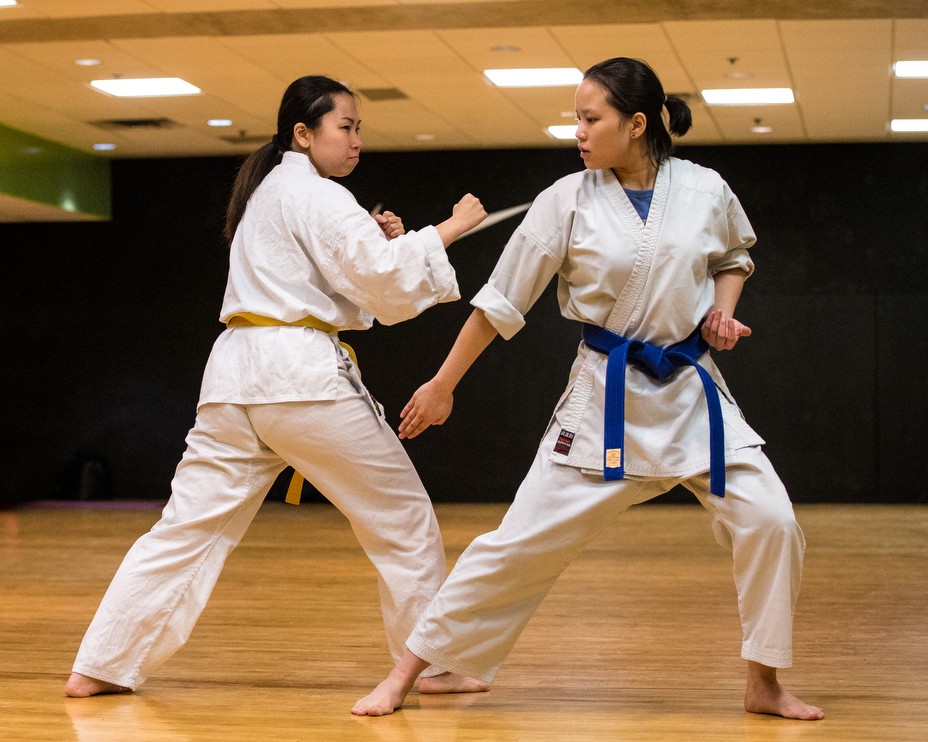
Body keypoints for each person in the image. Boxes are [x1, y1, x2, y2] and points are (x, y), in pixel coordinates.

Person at [353, 57, 824, 720]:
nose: (576, 130)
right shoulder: (565, 200)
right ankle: (408, 671)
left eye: (589, 117)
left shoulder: (704, 189)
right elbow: (499, 303)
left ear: (635, 124)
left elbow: (732, 257)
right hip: (605, 403)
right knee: (518, 544)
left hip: (692, 397)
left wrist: (720, 309)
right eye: (576, 116)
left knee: (772, 521)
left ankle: (764, 681)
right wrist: (441, 383)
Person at [65, 75, 489, 698]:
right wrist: (450, 227)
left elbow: (344, 277)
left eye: (359, 129)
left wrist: (383, 240)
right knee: (402, 518)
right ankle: (438, 666)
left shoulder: (268, 194)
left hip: (235, 382)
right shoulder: (314, 193)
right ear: (302, 133)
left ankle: (98, 665)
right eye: (345, 127)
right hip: (300, 378)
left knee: (186, 529)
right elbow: (378, 279)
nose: (356, 140)